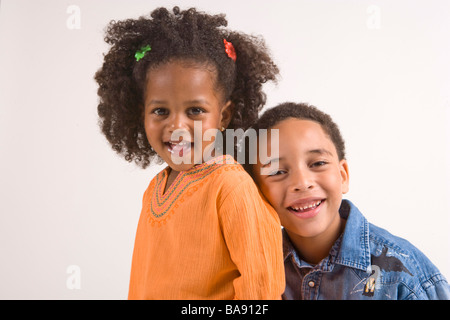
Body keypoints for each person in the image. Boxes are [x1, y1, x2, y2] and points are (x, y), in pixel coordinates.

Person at [94, 6, 285, 299]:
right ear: (140, 114)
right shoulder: (155, 190)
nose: (177, 126)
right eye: (160, 111)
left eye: (195, 110)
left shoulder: (231, 187)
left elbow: (261, 291)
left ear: (223, 116)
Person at [244, 102, 450, 300]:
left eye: (317, 163)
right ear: (257, 192)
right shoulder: (252, 267)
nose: (302, 183)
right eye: (278, 171)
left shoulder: (402, 271)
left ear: (342, 176)